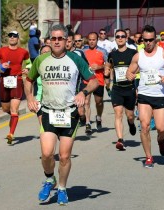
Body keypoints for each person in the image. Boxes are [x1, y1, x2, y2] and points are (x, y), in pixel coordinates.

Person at [24, 24, 99, 205]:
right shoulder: (41, 60)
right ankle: (50, 179)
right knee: (47, 154)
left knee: (64, 156)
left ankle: (63, 188)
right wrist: (30, 98)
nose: (56, 41)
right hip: (48, 112)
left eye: (60, 38)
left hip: (69, 114)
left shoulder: (76, 59)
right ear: (49, 40)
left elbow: (94, 81)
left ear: (67, 41)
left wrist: (83, 93)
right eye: (53, 38)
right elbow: (28, 80)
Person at [126, 25, 164, 168]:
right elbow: (130, 72)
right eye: (145, 40)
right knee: (144, 126)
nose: (148, 43)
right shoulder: (138, 55)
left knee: (161, 128)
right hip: (143, 95)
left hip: (159, 95)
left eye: (150, 40)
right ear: (142, 40)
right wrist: (129, 75)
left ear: (155, 39)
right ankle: (148, 157)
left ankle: (161, 140)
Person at [0, 30, 32, 144]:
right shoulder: (1, 51)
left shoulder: (23, 52)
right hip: (4, 81)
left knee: (14, 109)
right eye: (10, 36)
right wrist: (0, 66)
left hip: (17, 80)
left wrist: (27, 69)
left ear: (18, 38)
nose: (12, 38)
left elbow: (29, 64)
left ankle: (11, 134)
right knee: (5, 109)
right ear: (8, 38)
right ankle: (14, 118)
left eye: (14, 36)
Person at [104, 29, 137, 150]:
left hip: (129, 88)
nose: (120, 38)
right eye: (118, 36)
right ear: (115, 39)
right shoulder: (112, 54)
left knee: (129, 115)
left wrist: (133, 73)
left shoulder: (133, 52)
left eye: (123, 36)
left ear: (126, 38)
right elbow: (108, 66)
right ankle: (120, 140)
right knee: (118, 114)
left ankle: (131, 123)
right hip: (117, 89)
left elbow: (139, 66)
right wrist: (106, 72)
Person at [83, 32, 108, 135]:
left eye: (94, 39)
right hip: (87, 80)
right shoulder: (83, 51)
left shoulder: (103, 51)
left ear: (97, 40)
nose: (92, 41)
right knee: (86, 102)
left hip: (99, 81)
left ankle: (98, 117)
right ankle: (88, 123)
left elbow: (108, 65)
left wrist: (99, 67)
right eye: (90, 39)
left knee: (99, 102)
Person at [35, 45, 52, 125]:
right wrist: (31, 98)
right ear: (40, 54)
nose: (46, 54)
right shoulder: (37, 66)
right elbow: (29, 82)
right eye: (44, 52)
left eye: (48, 52)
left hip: (55, 100)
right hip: (40, 100)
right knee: (43, 127)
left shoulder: (58, 65)